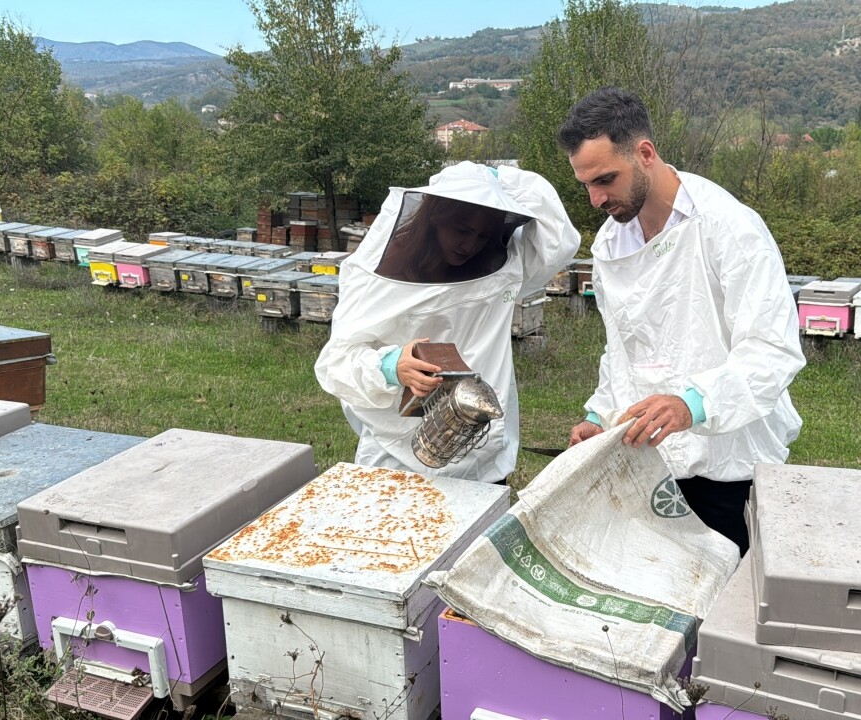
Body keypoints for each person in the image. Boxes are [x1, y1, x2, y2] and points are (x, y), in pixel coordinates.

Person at [558, 87, 805, 554]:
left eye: (605, 179)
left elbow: (772, 349)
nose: (595, 199)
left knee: (728, 594)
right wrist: (599, 416)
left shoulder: (729, 226)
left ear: (645, 153)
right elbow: (622, 350)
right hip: (649, 463)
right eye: (586, 184)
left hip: (730, 467)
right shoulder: (611, 244)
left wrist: (692, 404)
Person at [315, 161, 580, 483]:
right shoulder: (381, 276)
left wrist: (498, 177)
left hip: (480, 448)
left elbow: (559, 238)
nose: (471, 245)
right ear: (434, 220)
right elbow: (335, 362)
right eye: (463, 230)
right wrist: (390, 366)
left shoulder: (503, 267)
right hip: (396, 456)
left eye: (483, 235)